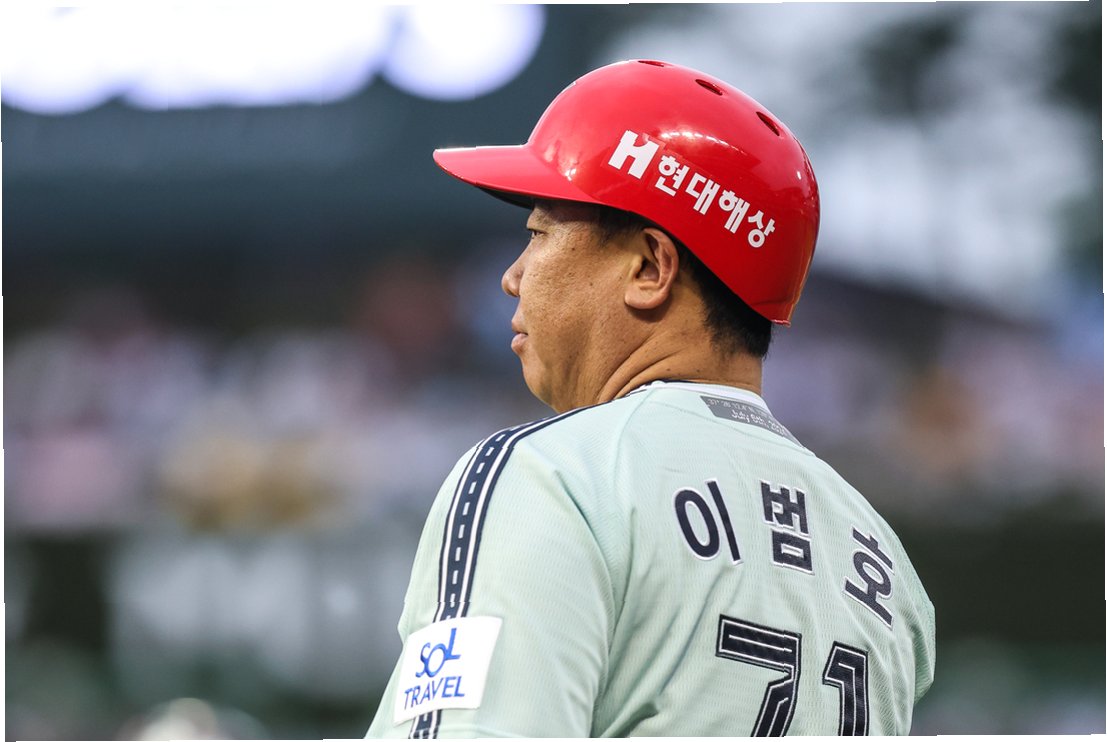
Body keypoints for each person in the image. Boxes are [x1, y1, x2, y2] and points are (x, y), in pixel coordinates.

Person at [365, 59, 935, 738]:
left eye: (539, 234)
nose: (513, 277)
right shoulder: (879, 553)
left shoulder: (555, 476)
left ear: (648, 267)